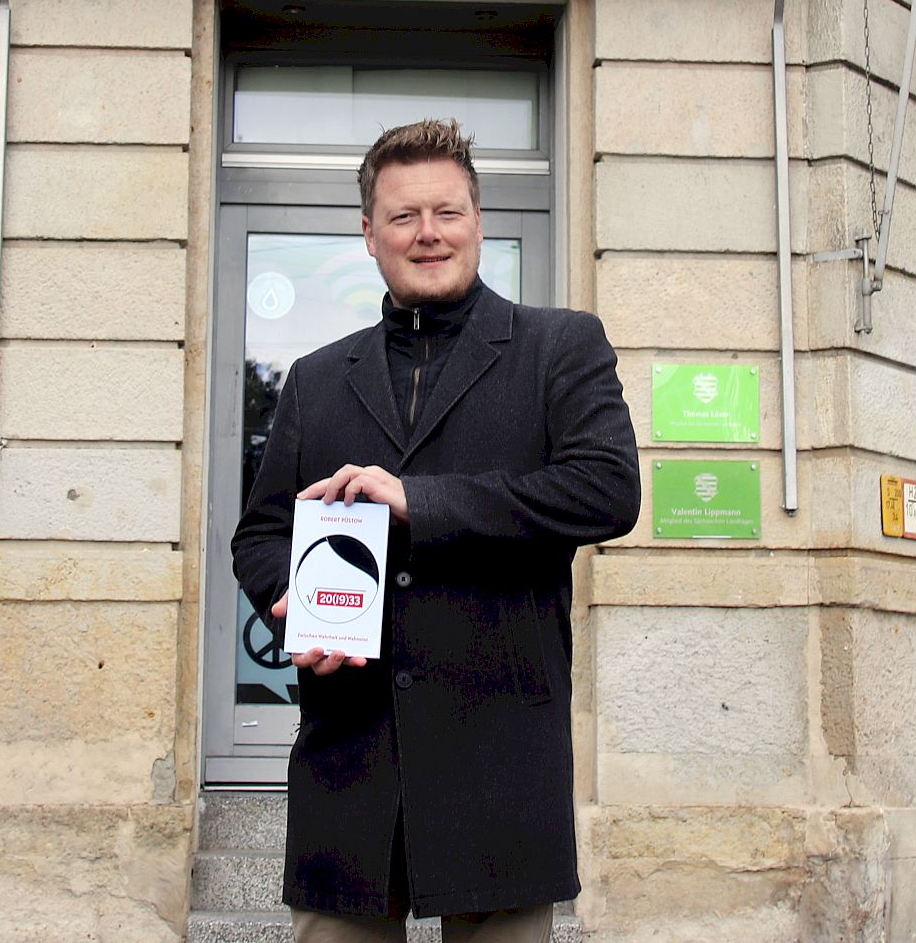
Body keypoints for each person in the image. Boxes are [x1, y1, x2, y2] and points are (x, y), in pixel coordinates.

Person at [231, 118, 641, 943]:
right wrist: (295, 605)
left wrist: (423, 502)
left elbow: (607, 491)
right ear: (369, 234)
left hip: (500, 762)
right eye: (404, 216)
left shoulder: (559, 347)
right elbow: (261, 536)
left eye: (447, 212)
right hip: (350, 761)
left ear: (477, 222)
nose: (428, 233)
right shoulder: (316, 378)